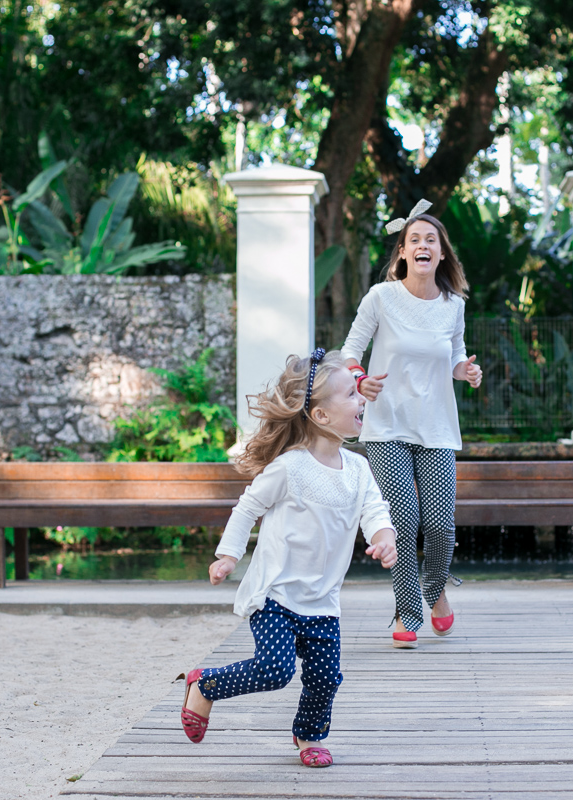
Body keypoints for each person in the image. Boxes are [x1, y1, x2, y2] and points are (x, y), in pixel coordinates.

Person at [178, 348, 398, 768]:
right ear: (320, 416)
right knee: (274, 669)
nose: (362, 400)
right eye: (351, 394)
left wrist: (384, 538)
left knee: (325, 677)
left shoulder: (358, 469)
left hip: (322, 602)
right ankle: (204, 685)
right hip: (276, 596)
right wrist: (228, 556)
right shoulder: (289, 468)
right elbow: (247, 508)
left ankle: (309, 735)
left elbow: (375, 513)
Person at [341, 199, 482, 649]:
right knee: (402, 518)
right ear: (402, 252)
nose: (423, 246)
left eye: (431, 240)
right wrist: (359, 380)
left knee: (440, 524)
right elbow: (350, 352)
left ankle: (435, 587)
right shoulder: (381, 297)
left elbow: (456, 355)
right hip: (386, 427)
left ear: (442, 254)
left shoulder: (453, 305)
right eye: (414, 240)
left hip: (437, 426)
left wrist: (466, 371)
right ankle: (406, 606)